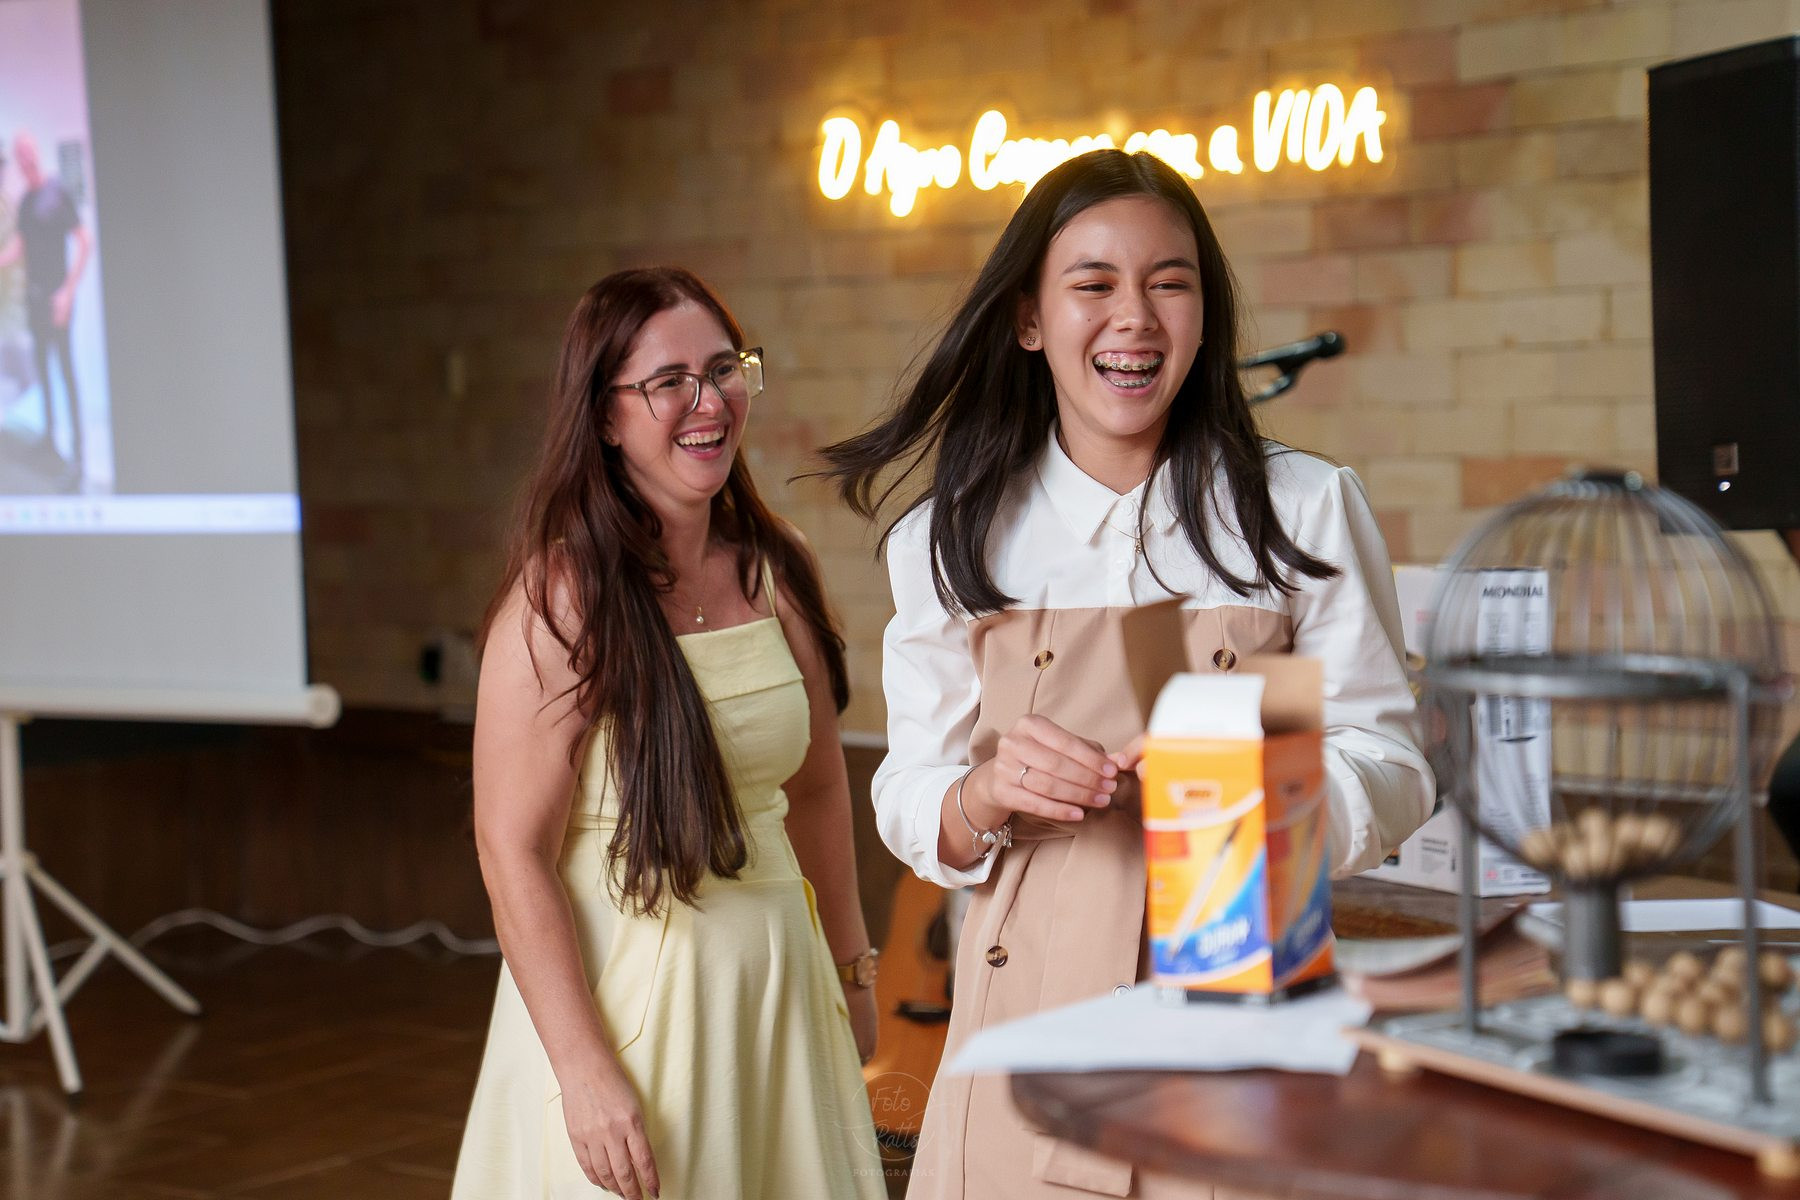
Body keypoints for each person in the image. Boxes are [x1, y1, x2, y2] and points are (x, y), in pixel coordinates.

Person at [821, 149, 1435, 1199]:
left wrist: (1261, 791)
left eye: (1169, 283)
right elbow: (909, 796)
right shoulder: (947, 537)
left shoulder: (1302, 508)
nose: (1134, 318)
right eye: (1094, 283)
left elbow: (1395, 765)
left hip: (1243, 1014)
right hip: (1022, 1024)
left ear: (1204, 315)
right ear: (1029, 319)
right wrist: (985, 792)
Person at [453, 267, 886, 1200]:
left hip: (778, 992)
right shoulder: (561, 597)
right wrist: (582, 1069)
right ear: (605, 417)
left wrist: (852, 973)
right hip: (625, 1015)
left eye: (724, 369)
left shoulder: (779, 566)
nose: (709, 402)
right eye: (668, 382)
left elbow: (816, 788)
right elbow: (510, 849)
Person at [0, 131, 90, 482]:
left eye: (28, 152)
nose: (24, 159)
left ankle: (79, 456)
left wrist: (68, 292)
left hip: (58, 301)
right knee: (43, 371)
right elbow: (19, 247)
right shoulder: (25, 202)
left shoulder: (58, 192)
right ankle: (50, 437)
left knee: (67, 373)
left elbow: (84, 242)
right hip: (34, 301)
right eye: (19, 155)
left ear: (36, 152)